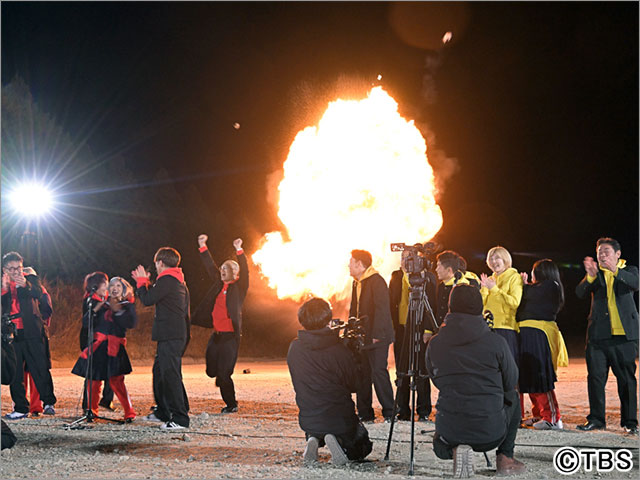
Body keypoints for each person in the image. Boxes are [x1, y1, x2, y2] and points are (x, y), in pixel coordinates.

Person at [426, 284, 526, 478]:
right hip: (490, 434)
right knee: (512, 396)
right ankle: (505, 459)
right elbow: (511, 380)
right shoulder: (496, 342)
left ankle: (455, 450)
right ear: (479, 307)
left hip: (449, 434)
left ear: (450, 307)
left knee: (440, 443)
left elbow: (436, 380)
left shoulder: (435, 343)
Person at [287, 297, 373, 465]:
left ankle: (314, 438)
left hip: (309, 417)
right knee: (363, 447)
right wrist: (357, 355)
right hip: (339, 417)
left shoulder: (294, 348)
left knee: (320, 419)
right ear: (327, 320)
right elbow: (355, 384)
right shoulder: (338, 350)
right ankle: (340, 443)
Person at [575, 237, 638, 434]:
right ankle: (596, 420)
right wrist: (590, 277)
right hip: (598, 338)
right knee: (595, 379)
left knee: (627, 380)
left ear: (617, 254)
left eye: (606, 251)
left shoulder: (629, 271)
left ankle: (630, 422)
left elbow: (635, 284)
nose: (602, 255)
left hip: (624, 337)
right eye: (599, 252)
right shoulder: (596, 275)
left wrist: (615, 271)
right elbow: (579, 293)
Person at [133, 247, 191, 431]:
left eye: (156, 263)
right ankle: (164, 412)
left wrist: (142, 282)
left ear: (160, 263)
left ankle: (180, 418)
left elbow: (148, 299)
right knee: (160, 372)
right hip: (173, 334)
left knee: (170, 375)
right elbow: (157, 295)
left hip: (171, 335)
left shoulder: (168, 279)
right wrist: (147, 283)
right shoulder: (174, 279)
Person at [193, 234, 248, 414]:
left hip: (230, 338)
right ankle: (221, 375)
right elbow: (210, 267)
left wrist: (239, 250)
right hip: (216, 336)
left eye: (226, 268)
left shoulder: (238, 289)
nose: (222, 270)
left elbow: (246, 272)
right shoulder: (219, 284)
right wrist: (202, 246)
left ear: (235, 273)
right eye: (222, 268)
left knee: (224, 375)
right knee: (211, 371)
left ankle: (231, 404)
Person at [71, 274, 137, 422]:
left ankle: (129, 412)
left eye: (118, 286)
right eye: (112, 286)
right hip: (99, 346)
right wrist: (98, 308)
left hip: (115, 347)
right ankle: (91, 412)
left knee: (117, 382)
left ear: (124, 289)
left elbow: (131, 323)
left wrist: (118, 310)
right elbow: (87, 323)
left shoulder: (128, 305)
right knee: (93, 381)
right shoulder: (101, 304)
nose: (114, 288)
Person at [1, 252, 56, 419]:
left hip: (32, 330)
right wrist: (3, 290)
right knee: (15, 372)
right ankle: (20, 408)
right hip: (11, 332)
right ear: (4, 269)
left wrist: (25, 284)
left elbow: (38, 293)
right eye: (11, 269)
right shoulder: (3, 284)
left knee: (39, 367)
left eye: (17, 268)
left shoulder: (30, 278)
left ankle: (48, 402)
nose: (15, 272)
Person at [517, 259, 569, 430]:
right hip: (525, 333)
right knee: (529, 375)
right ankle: (538, 414)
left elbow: (529, 294)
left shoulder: (551, 285)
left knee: (540, 376)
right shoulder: (537, 287)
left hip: (540, 334)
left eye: (533, 270)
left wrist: (523, 285)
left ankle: (553, 418)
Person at [388, 249, 436, 422]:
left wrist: (429, 330)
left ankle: (423, 410)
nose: (406, 261)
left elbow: (433, 303)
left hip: (421, 328)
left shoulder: (428, 277)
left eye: (410, 258)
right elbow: (390, 302)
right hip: (402, 329)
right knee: (402, 370)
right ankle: (403, 410)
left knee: (421, 370)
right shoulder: (395, 276)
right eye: (403, 258)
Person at [348, 249, 395, 422]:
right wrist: (351, 330)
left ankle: (390, 412)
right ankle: (365, 413)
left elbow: (383, 309)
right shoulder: (356, 282)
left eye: (351, 263)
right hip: (362, 336)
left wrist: (377, 334)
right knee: (362, 374)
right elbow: (355, 308)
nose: (348, 266)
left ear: (360, 265)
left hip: (377, 336)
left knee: (378, 372)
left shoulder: (377, 281)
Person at [480, 246, 523, 362]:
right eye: (491, 259)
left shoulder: (514, 277)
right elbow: (481, 305)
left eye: (497, 258)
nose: (493, 262)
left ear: (505, 259)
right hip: (488, 328)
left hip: (506, 328)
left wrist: (494, 289)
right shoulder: (489, 279)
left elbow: (514, 302)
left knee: (507, 366)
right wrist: (484, 289)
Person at [21, 266, 53, 417]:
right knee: (22, 372)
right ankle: (22, 405)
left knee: (37, 371)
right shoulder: (17, 292)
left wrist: (38, 321)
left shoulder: (41, 292)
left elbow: (47, 312)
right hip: (22, 334)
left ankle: (36, 406)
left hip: (37, 334)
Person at [434, 250, 480, 327]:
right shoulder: (441, 286)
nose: (436, 269)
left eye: (439, 266)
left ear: (449, 270)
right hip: (441, 331)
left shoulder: (466, 287)